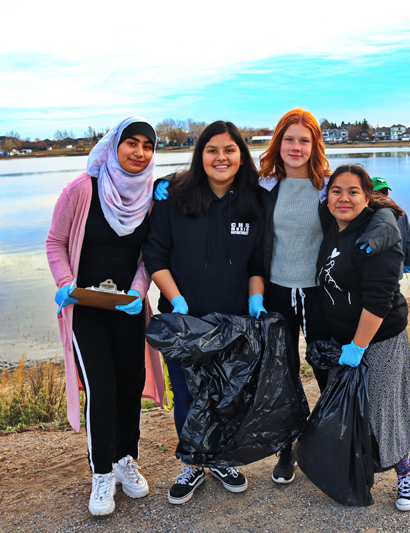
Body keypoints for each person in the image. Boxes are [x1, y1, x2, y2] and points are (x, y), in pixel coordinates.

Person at [143, 120, 266, 505]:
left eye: (229, 150)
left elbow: (258, 262)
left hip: (233, 323)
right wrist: (176, 299)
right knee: (187, 395)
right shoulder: (174, 198)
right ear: (201, 156)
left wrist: (255, 299)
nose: (221, 157)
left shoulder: (254, 201)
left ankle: (224, 459)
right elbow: (155, 256)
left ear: (240, 156)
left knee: (230, 393)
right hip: (184, 323)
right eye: (212, 150)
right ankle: (193, 464)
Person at [46, 116, 161, 516]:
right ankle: (101, 474)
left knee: (130, 384)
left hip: (127, 308)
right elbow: (56, 241)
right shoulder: (83, 189)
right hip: (85, 309)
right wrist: (64, 281)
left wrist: (139, 290)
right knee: (102, 388)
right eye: (132, 143)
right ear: (114, 145)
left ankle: (125, 459)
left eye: (148, 146)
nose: (139, 152)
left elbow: (148, 256)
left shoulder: (149, 195)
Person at [316, 164, 410, 512]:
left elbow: (379, 301)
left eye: (353, 192)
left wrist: (358, 347)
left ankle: (406, 473)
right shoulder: (333, 223)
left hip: (379, 338)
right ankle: (359, 469)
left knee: (380, 409)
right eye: (336, 191)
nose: (343, 198)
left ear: (367, 197)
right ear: (327, 196)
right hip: (343, 339)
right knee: (353, 413)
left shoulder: (381, 239)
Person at [257, 108, 333, 484]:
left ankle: (333, 440)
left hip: (321, 292)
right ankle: (285, 447)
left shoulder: (328, 186)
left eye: (305, 140)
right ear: (279, 142)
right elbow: (213, 184)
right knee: (282, 371)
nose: (296, 147)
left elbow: (366, 205)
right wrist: (171, 183)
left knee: (325, 367)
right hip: (276, 291)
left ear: (315, 144)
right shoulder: (264, 186)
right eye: (290, 139)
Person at [371, 176, 410, 279]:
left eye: (380, 192)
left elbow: (407, 240)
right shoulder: (400, 212)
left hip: (378, 272)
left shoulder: (370, 213)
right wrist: (408, 263)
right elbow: (408, 240)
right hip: (396, 269)